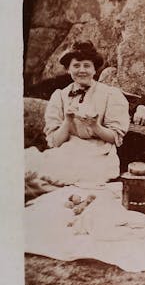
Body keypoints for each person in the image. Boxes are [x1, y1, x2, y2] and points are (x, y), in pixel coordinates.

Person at [25, 40, 130, 193]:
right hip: (67, 150)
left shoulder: (110, 95)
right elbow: (54, 142)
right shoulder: (60, 96)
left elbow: (115, 137)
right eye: (76, 65)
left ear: (95, 70)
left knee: (78, 179)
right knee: (31, 166)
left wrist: (95, 126)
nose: (82, 70)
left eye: (87, 65)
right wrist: (67, 121)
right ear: (68, 69)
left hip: (99, 153)